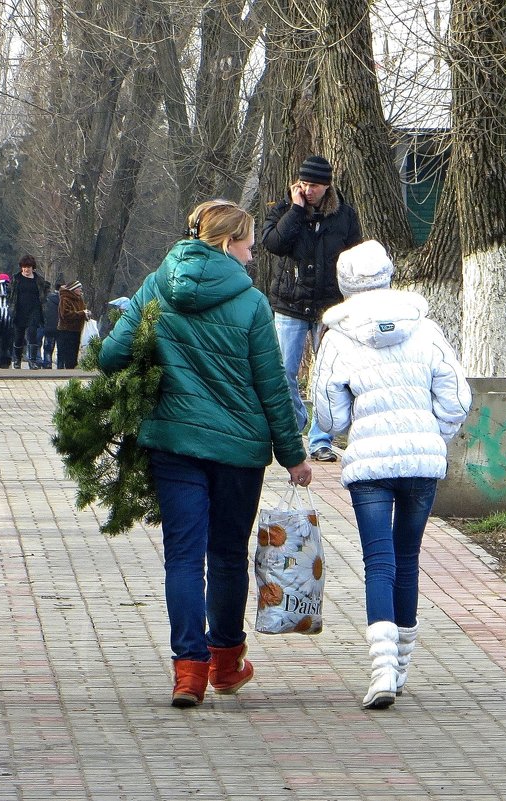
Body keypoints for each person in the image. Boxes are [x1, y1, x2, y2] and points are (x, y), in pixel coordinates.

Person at [100, 200, 313, 708]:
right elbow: (272, 387)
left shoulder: (157, 285)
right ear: (226, 243)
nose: (252, 253)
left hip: (173, 443)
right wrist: (293, 455)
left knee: (182, 556)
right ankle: (225, 662)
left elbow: (111, 355)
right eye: (247, 243)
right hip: (239, 452)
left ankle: (188, 673)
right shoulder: (252, 303)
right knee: (225, 556)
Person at [311, 240, 471, 710]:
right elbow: (458, 398)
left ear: (345, 284)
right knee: (408, 557)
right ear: (387, 275)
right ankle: (399, 668)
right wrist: (432, 433)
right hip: (422, 461)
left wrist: (350, 427)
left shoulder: (337, 338)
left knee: (378, 563)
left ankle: (380, 670)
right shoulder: (426, 329)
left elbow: (329, 415)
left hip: (371, 466)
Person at [262, 154, 362, 463]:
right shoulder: (283, 210)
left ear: (327, 186)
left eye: (315, 186)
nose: (308, 190)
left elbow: (353, 257)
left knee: (329, 375)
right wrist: (295, 209)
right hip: (290, 305)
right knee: (284, 372)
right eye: (303, 184)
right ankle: (295, 428)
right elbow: (274, 244)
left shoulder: (344, 215)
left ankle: (321, 439)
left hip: (329, 307)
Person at [9, 255, 48, 369]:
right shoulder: (16, 279)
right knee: (18, 336)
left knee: (32, 334)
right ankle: (17, 360)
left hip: (34, 310)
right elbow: (10, 295)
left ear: (33, 267)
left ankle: (32, 360)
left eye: (29, 267)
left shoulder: (38, 280)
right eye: (24, 267)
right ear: (21, 267)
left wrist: (43, 305)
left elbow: (45, 292)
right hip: (19, 310)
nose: (26, 269)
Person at [56, 280, 90, 369]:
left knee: (74, 353)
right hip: (66, 330)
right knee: (68, 354)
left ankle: (72, 369)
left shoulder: (80, 299)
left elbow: (83, 310)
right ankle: (68, 372)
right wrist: (82, 313)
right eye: (79, 288)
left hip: (77, 330)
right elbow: (65, 314)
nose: (81, 290)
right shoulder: (65, 299)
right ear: (74, 289)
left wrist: (87, 313)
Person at [41, 280, 62, 369]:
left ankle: (47, 363)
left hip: (49, 326)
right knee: (60, 348)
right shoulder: (63, 300)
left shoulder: (48, 298)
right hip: (60, 326)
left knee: (48, 347)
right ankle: (60, 365)